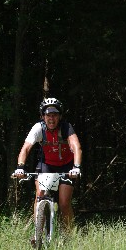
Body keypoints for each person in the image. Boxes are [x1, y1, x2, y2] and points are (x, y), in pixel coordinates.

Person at [13, 97, 82, 230]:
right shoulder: (38, 128)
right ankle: (37, 232)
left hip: (66, 166)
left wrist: (76, 167)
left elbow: (76, 147)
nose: (51, 118)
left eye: (55, 115)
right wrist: (20, 167)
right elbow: (25, 148)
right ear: (43, 116)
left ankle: (68, 235)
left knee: (64, 203)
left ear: (60, 116)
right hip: (47, 165)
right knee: (40, 196)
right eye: (48, 115)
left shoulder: (66, 127)